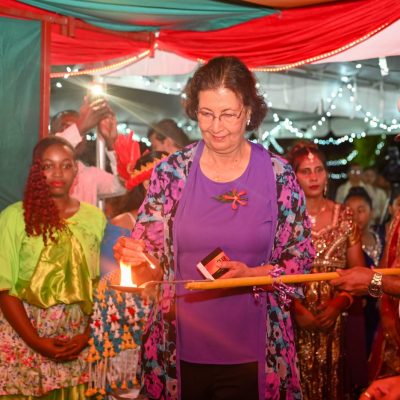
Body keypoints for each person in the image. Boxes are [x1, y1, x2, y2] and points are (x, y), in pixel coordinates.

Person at [113, 56, 315, 400]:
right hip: (179, 347)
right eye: (206, 114)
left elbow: (302, 262)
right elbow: (149, 260)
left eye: (228, 115)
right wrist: (132, 257)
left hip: (257, 348)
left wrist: (252, 275)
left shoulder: (278, 175)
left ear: (248, 111)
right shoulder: (172, 173)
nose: (216, 127)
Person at [0, 136, 106, 398]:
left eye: (66, 165)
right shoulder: (14, 217)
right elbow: (4, 286)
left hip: (76, 338)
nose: (58, 173)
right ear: (36, 171)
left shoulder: (94, 218)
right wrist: (35, 341)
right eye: (48, 166)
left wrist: (87, 335)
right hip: (23, 335)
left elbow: (102, 283)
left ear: (76, 170)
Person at [286, 142, 366, 400]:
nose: (313, 177)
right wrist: (297, 310)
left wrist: (338, 304)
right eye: (305, 171)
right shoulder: (285, 220)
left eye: (319, 170)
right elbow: (273, 273)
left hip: (336, 322)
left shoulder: (345, 216)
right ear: (294, 177)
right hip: (293, 320)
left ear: (326, 174)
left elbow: (360, 274)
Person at [51, 98, 125, 205]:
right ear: (51, 134)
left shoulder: (90, 175)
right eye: (67, 128)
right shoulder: (45, 171)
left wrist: (112, 144)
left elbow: (123, 184)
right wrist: (81, 128)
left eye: (82, 133)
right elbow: (53, 150)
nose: (78, 138)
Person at [344, 187, 384, 356]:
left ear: (372, 212)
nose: (355, 216)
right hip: (358, 309)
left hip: (384, 308)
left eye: (361, 211)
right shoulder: (343, 246)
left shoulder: (383, 238)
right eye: (350, 212)